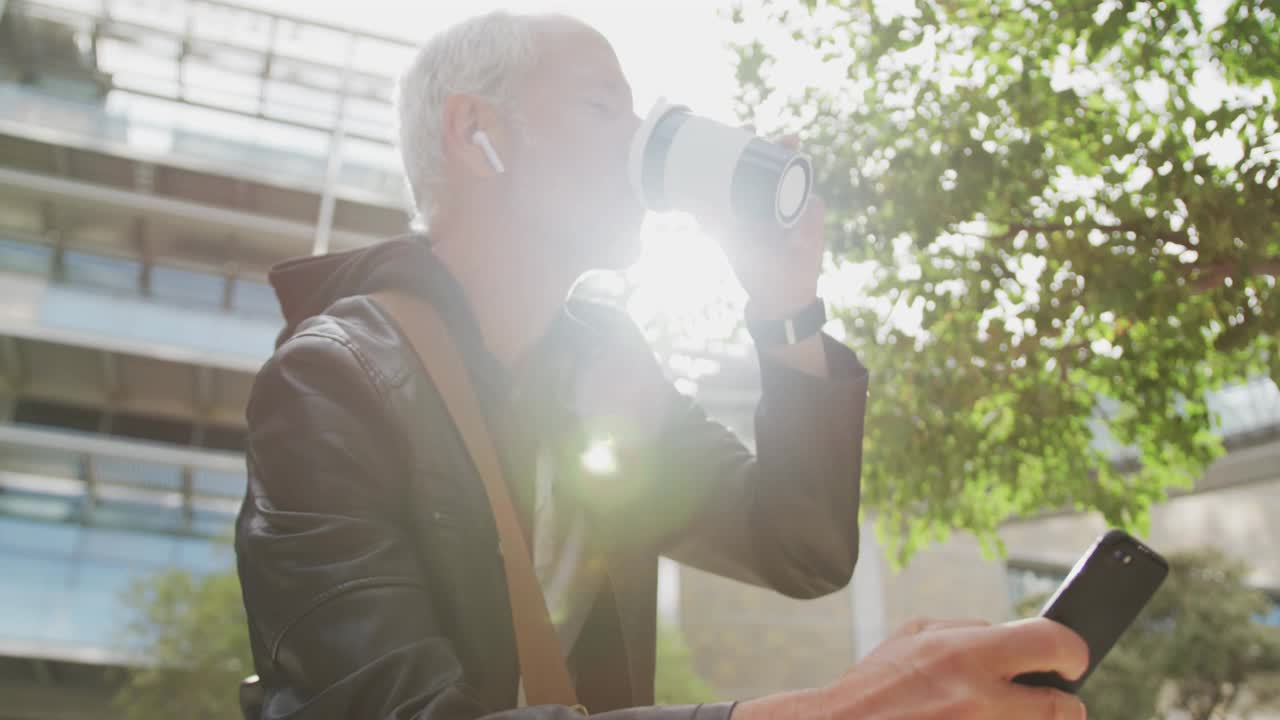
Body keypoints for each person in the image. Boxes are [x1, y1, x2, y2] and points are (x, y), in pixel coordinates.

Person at [234, 10, 1089, 720]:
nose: (643, 143)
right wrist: (840, 710)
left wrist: (783, 303)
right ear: (476, 131)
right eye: (606, 108)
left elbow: (800, 549)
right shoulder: (331, 383)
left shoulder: (600, 370)